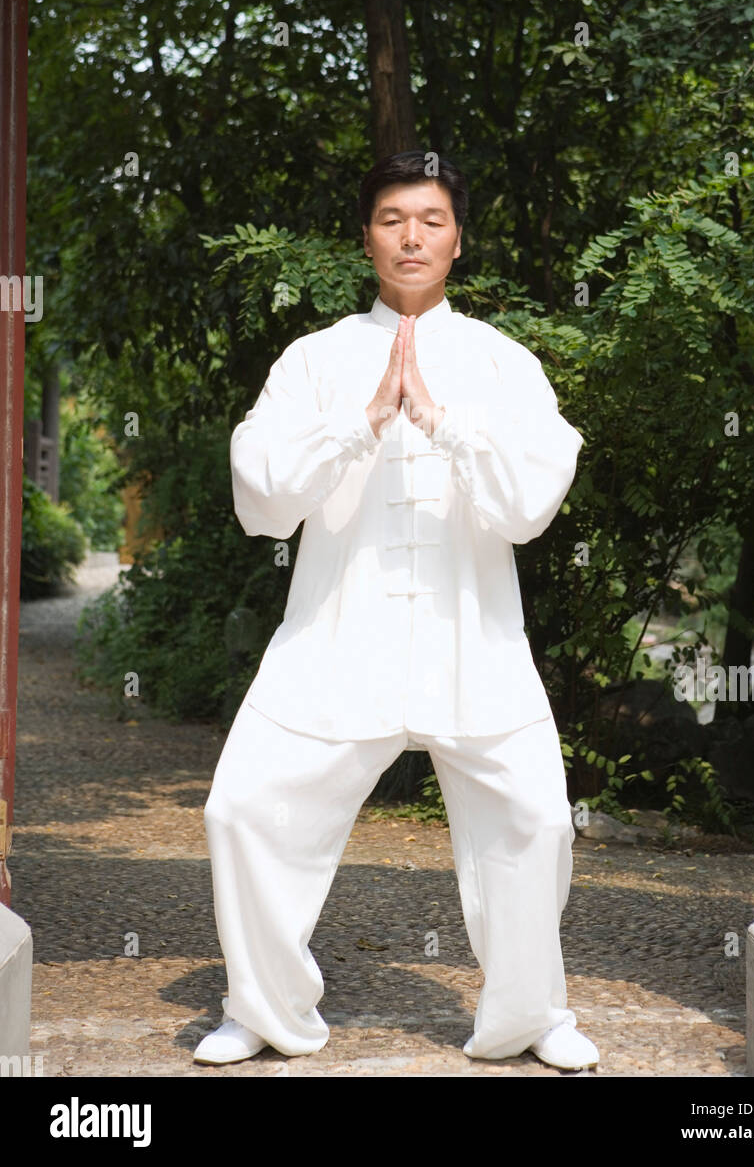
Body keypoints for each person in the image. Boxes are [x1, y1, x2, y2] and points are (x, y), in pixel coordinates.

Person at [194, 150, 599, 1072]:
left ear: (458, 239)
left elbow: (529, 510)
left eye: (430, 219)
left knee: (536, 821)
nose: (410, 236)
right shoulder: (315, 359)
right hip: (338, 635)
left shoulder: (503, 362)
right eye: (390, 218)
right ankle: (263, 1009)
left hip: (474, 635)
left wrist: (446, 422)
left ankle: (529, 1015)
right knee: (242, 808)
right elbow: (261, 502)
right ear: (366, 234)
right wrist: (362, 420)